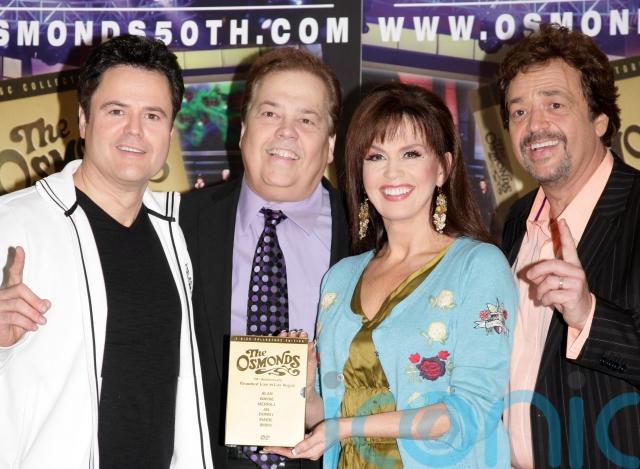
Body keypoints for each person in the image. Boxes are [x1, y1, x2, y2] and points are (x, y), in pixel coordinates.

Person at [265, 82, 518, 468]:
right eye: (376, 156)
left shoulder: (478, 265)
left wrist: (346, 428)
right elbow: (329, 415)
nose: (392, 172)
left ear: (442, 168)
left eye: (411, 154)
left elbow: (472, 412)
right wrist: (302, 389)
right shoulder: (340, 279)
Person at [0, 35, 212, 469]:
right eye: (116, 111)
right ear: (83, 119)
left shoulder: (176, 234)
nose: (134, 130)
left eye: (152, 115)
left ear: (170, 132)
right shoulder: (14, 224)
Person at [179, 47, 350, 468]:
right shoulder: (179, 223)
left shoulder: (369, 234)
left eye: (306, 120)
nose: (286, 132)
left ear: (330, 145)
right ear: (243, 130)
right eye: (270, 114)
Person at [498, 24, 640, 468]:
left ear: (600, 120)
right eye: (519, 112)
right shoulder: (516, 221)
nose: (534, 126)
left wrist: (588, 315)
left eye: (555, 105)